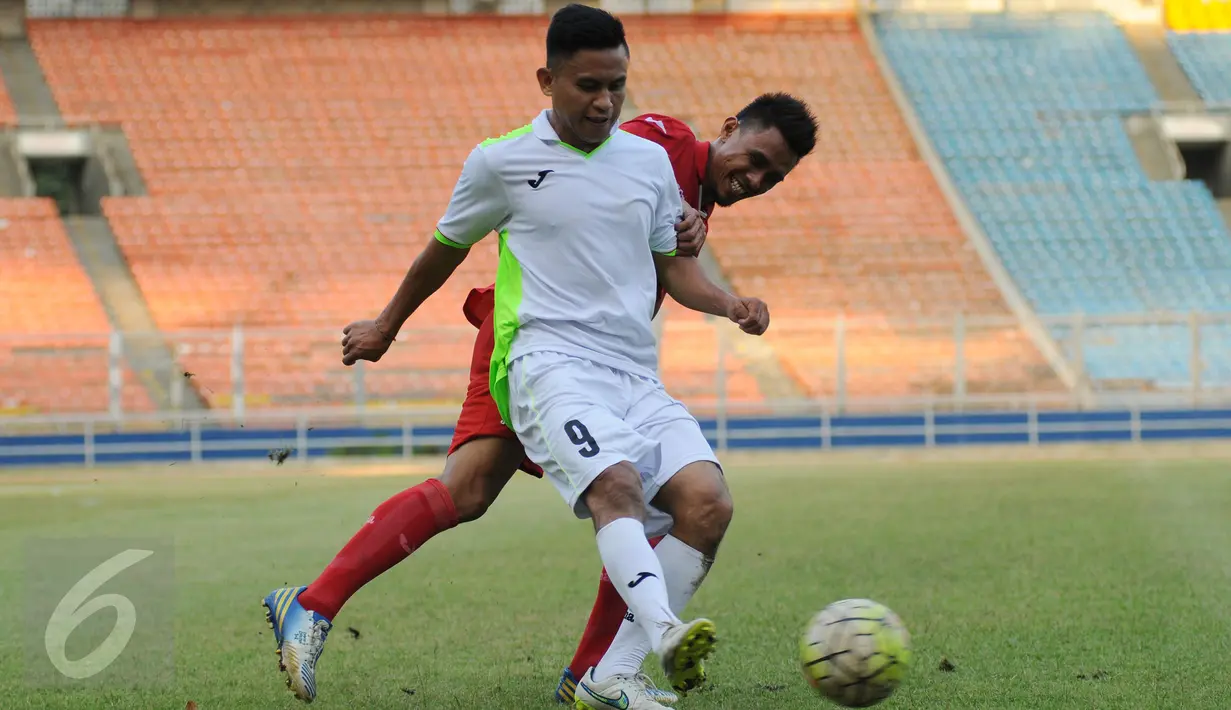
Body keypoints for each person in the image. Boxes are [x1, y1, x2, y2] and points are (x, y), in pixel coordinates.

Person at [261, 8, 816, 707]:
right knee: (611, 495)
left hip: (603, 362)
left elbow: (661, 256)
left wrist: (726, 297)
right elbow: (594, 147)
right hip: (531, 341)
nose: (757, 178)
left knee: (476, 491)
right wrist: (386, 325)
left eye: (773, 177)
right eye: (754, 158)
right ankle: (592, 671)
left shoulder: (673, 184)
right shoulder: (661, 140)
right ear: (729, 127)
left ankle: (322, 604)